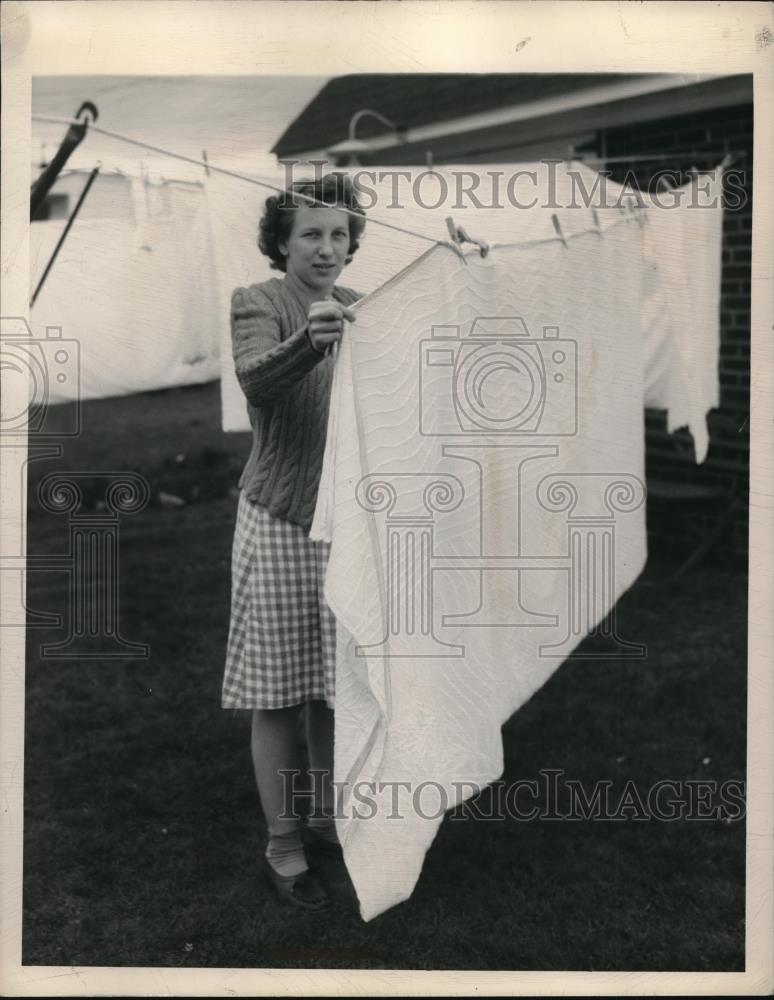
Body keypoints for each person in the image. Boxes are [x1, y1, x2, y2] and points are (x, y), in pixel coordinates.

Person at [221, 173, 365, 910]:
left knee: (335, 694)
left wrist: (466, 273)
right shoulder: (259, 302)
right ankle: (283, 844)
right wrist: (308, 343)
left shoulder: (361, 310)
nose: (327, 247)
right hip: (277, 518)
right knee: (277, 694)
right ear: (281, 242)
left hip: (345, 528)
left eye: (339, 234)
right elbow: (255, 383)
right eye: (310, 233)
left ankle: (327, 818)